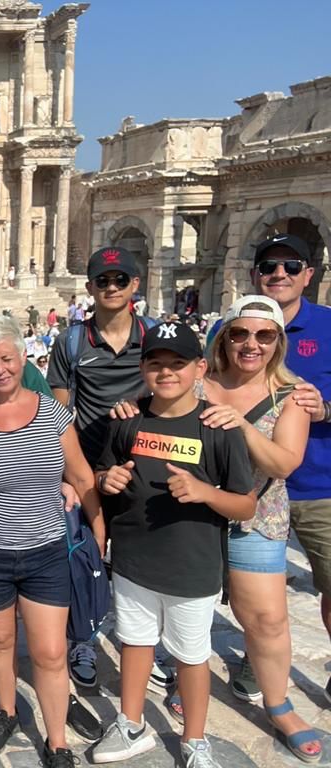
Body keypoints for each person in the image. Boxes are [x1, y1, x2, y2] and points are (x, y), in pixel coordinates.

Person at [0, 314, 104, 768]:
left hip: (45, 550)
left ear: (23, 357)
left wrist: (98, 528)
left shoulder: (53, 414)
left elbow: (81, 475)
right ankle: (7, 712)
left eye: (6, 359)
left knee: (50, 652)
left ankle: (57, 741)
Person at [92, 321, 255, 768]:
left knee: (191, 654)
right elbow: (105, 471)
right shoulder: (127, 419)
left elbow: (245, 504)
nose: (166, 373)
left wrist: (205, 493)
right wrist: (108, 480)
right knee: (134, 641)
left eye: (178, 363)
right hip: (133, 559)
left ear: (199, 367)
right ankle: (130, 723)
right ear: (142, 368)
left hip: (191, 565)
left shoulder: (217, 427)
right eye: (156, 363)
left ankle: (195, 740)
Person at [47, 246, 172, 695]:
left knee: (145, 560)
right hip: (87, 468)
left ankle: (150, 646)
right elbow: (60, 415)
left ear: (135, 284)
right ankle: (83, 639)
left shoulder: (156, 336)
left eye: (121, 279)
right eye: (103, 280)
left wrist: (138, 405)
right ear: (90, 287)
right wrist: (67, 475)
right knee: (84, 557)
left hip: (145, 462)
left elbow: (173, 394)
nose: (112, 287)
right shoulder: (71, 342)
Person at [201, 296, 320, 762]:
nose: (252, 344)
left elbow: (284, 463)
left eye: (264, 335)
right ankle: (188, 680)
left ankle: (279, 705)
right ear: (224, 339)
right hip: (195, 515)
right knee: (185, 609)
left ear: (278, 342)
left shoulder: (292, 395)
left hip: (258, 515)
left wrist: (242, 427)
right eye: (240, 333)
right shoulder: (198, 383)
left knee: (267, 620)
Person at [239, 234, 331, 703]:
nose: (280, 274)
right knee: (254, 589)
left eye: (291, 266)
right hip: (253, 487)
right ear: (255, 274)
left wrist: (328, 409)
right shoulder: (233, 329)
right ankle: (256, 660)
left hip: (318, 484)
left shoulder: (329, 326)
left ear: (308, 275)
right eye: (269, 266)